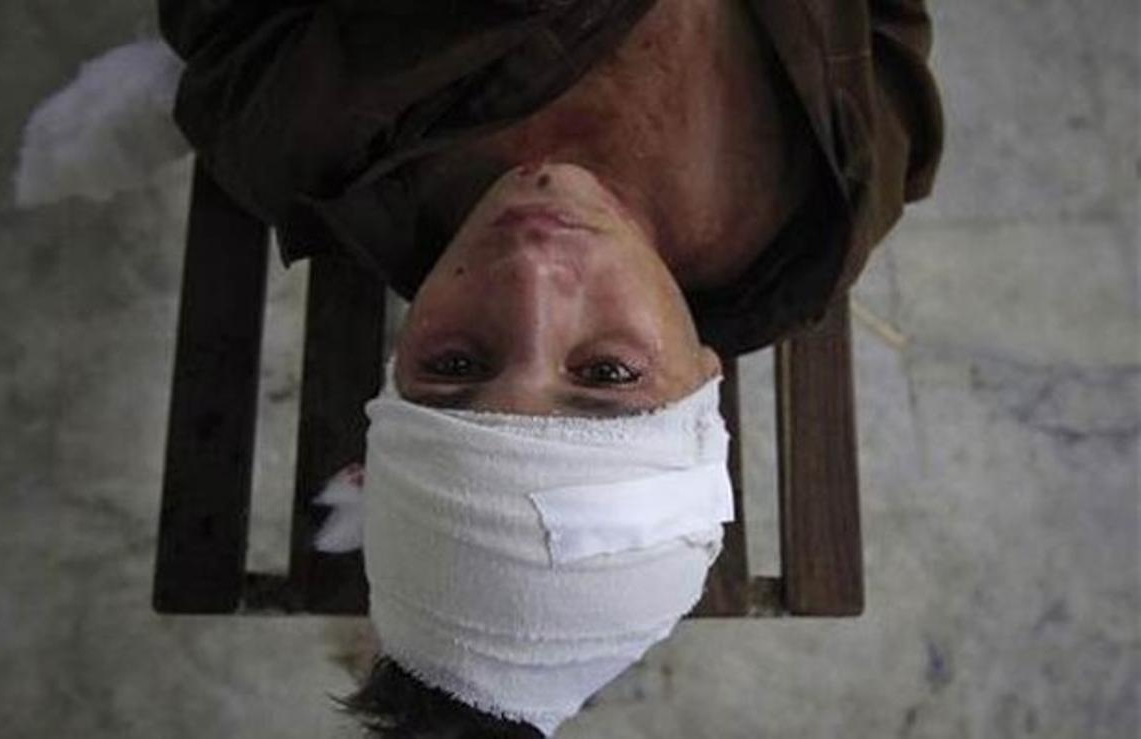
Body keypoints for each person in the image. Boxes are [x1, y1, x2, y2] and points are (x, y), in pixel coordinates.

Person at [159, 0, 943, 734]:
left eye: (457, 361)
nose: (533, 273)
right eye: (606, 375)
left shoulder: (304, 131)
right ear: (706, 376)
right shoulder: (818, 215)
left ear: (395, 371)